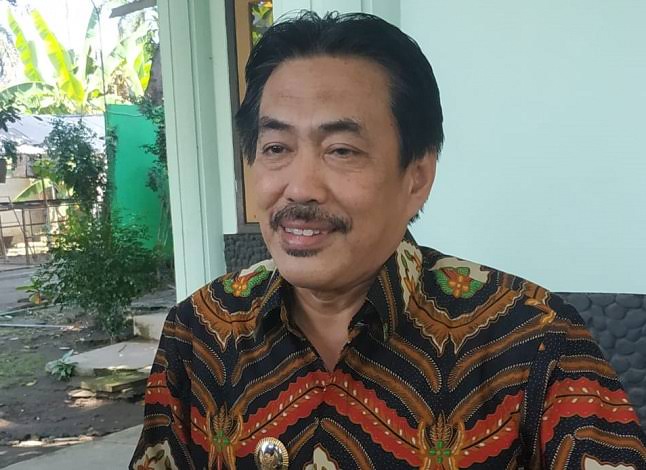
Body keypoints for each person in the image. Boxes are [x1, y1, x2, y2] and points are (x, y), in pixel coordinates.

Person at [130, 11, 646, 470]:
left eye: (341, 150)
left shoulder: (535, 340)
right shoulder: (200, 333)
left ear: (416, 178)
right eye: (276, 147)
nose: (300, 187)